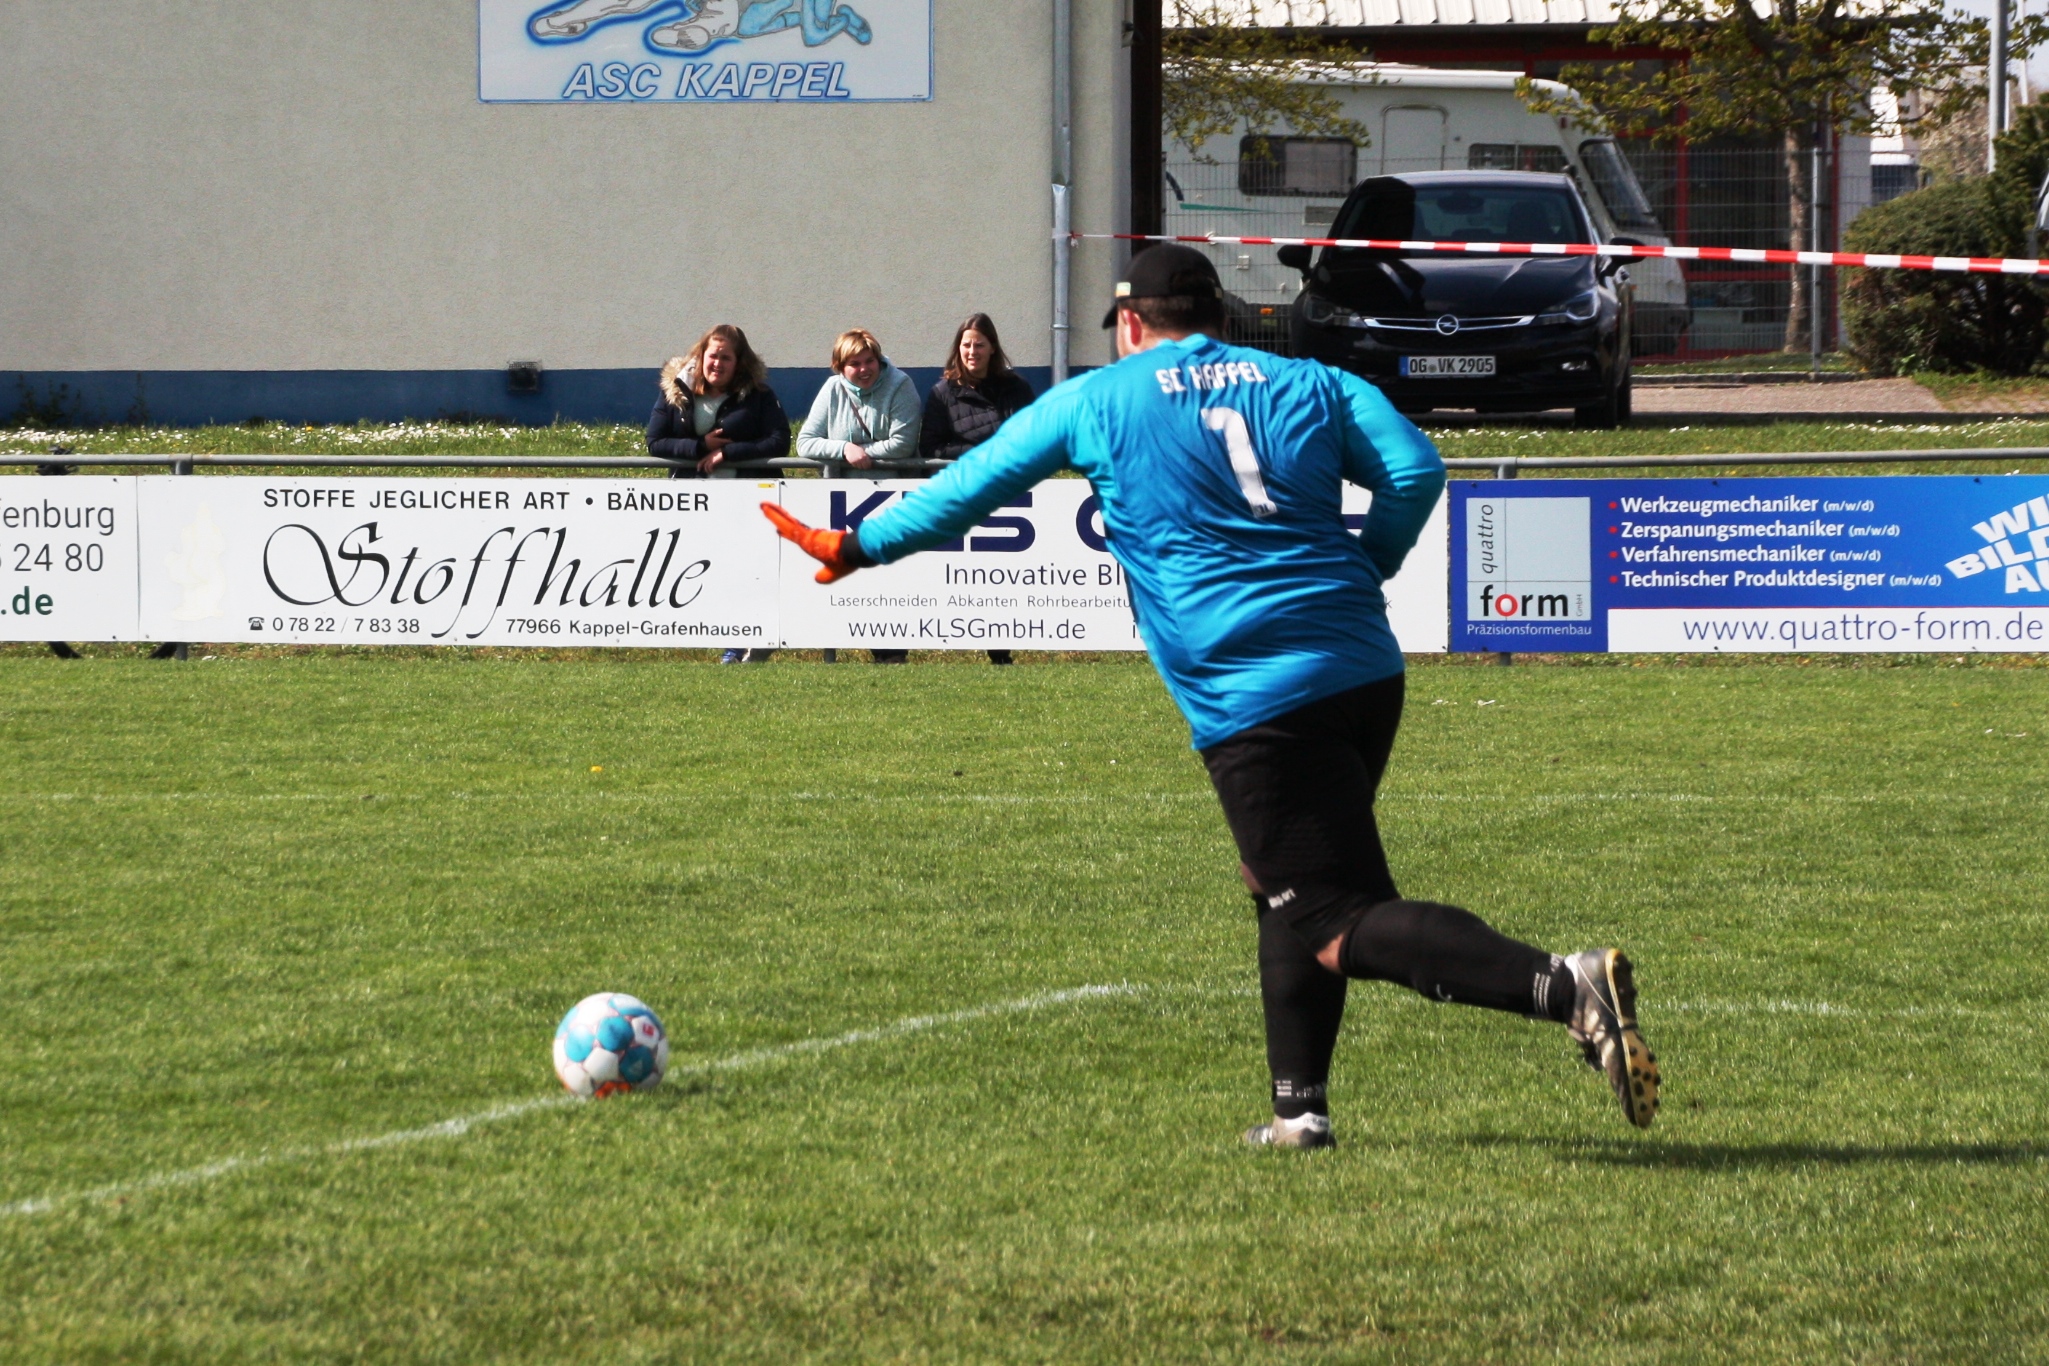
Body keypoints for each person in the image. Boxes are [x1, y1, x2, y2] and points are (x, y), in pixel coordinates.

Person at [763, 245, 1659, 1147]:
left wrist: (857, 546)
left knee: (1332, 914)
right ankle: (1297, 1112)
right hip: (1361, 667)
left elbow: (963, 490)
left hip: (1255, 690)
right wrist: (1368, 565)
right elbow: (1417, 472)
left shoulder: (1097, 399)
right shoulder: (1310, 382)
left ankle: (1564, 986)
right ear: (1220, 315)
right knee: (1279, 884)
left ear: (1129, 323)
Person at [647, 324, 791, 662]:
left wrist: (728, 453)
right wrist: (700, 446)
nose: (718, 364)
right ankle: (733, 639)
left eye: (727, 358)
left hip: (749, 498)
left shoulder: (759, 394)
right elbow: (655, 441)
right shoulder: (676, 390)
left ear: (739, 362)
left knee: (747, 571)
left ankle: (745, 643)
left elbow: (779, 441)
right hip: (695, 501)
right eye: (713, 356)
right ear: (701, 356)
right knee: (713, 571)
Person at [796, 327, 922, 662]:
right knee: (851, 576)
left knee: (888, 577)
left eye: (870, 361)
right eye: (854, 364)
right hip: (842, 503)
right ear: (840, 367)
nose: (864, 369)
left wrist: (865, 454)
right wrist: (844, 450)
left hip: (891, 499)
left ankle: (891, 654)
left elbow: (903, 444)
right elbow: (805, 442)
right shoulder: (832, 389)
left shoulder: (901, 385)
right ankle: (843, 649)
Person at [920, 313, 1037, 665]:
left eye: (980, 345)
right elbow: (931, 447)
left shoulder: (1016, 388)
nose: (973, 351)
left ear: (992, 348)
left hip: (1009, 495)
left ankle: (1001, 653)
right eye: (967, 344)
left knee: (1001, 576)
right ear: (958, 348)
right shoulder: (942, 394)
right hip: (961, 495)